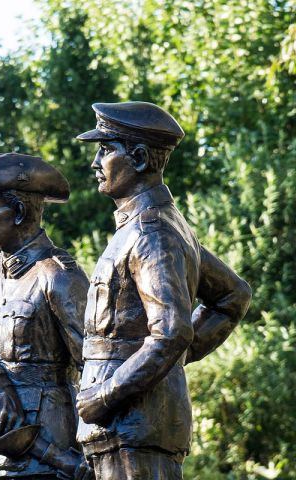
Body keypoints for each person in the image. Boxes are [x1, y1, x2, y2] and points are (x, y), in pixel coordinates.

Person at [75, 101, 252, 479]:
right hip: (124, 425)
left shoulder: (152, 232)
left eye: (105, 150)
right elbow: (232, 295)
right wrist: (162, 363)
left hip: (131, 424)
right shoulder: (152, 227)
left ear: (139, 157)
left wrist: (108, 394)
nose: (95, 162)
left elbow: (172, 332)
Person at [0, 153, 90, 479]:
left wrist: (93, 450)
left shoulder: (58, 276)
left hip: (49, 451)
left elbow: (93, 367)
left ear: (19, 212)